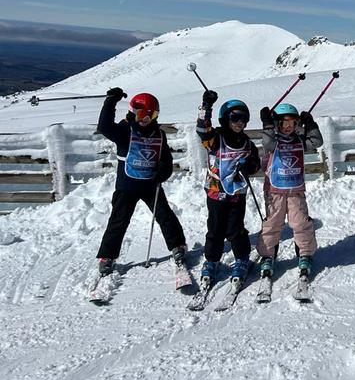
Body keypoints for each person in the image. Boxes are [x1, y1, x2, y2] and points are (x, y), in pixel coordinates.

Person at [95, 88, 187, 276]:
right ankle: (107, 256)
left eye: (152, 114)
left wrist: (164, 170)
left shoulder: (159, 134)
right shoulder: (124, 131)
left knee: (164, 215)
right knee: (119, 220)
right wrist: (110, 101)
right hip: (127, 186)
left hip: (150, 184)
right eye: (143, 113)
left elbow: (166, 158)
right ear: (134, 112)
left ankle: (177, 245)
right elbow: (104, 127)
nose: (146, 118)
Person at [196, 91, 260, 283]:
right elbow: (202, 130)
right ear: (225, 119)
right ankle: (212, 260)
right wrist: (206, 107)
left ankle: (241, 258)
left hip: (236, 195)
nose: (240, 122)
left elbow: (255, 164)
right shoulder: (216, 139)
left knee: (235, 229)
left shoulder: (247, 143)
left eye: (243, 119)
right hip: (216, 193)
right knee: (215, 229)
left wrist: (248, 166)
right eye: (235, 118)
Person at [256, 103, 323, 278]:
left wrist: (311, 124)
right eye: (283, 123)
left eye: (292, 123)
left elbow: (316, 141)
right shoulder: (273, 142)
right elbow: (267, 143)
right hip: (274, 190)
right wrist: (268, 125)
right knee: (272, 224)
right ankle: (267, 255)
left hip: (295, 190)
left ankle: (305, 253)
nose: (288, 127)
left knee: (301, 223)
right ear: (277, 124)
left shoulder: (299, 141)